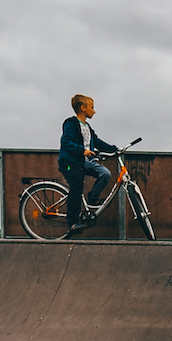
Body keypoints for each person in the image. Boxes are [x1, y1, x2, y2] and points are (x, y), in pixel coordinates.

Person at [59, 94, 118, 236]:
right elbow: (66, 142)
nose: (94, 111)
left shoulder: (88, 127)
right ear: (83, 108)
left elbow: (97, 142)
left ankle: (93, 197)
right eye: (92, 107)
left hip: (85, 162)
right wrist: (82, 150)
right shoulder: (71, 123)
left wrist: (114, 149)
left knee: (105, 173)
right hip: (71, 163)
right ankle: (72, 223)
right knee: (76, 190)